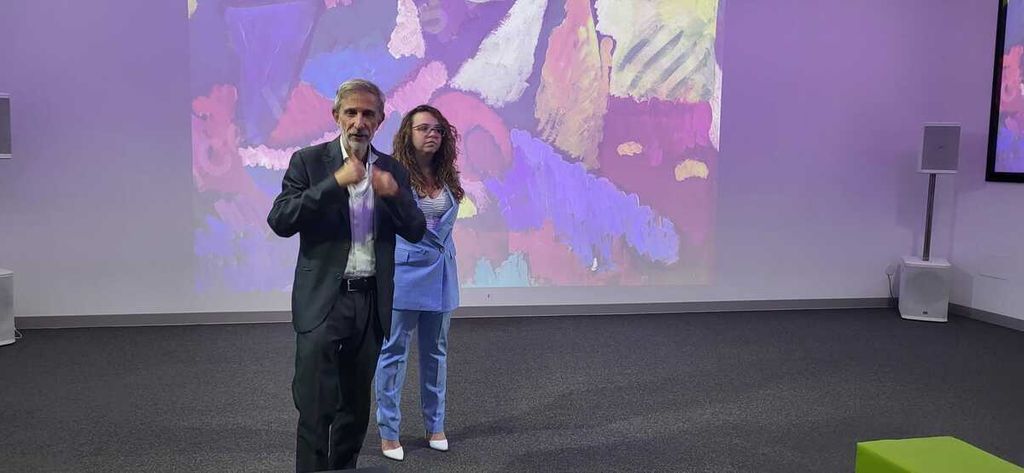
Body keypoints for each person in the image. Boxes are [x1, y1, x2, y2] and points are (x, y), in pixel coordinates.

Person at [267, 79, 426, 472]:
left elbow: (415, 230)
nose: (359, 122)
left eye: (368, 114)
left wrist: (394, 195)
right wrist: (334, 183)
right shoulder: (309, 162)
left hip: (370, 303)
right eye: (351, 112)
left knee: (354, 409)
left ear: (380, 120)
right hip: (324, 300)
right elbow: (281, 220)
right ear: (336, 115)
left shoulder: (392, 170)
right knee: (315, 404)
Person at [374, 104, 465, 461]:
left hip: (442, 277)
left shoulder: (448, 177)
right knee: (393, 354)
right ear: (407, 135)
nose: (432, 134)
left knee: (436, 354)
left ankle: (435, 425)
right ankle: (389, 431)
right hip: (405, 274)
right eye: (423, 128)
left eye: (438, 129)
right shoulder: (393, 178)